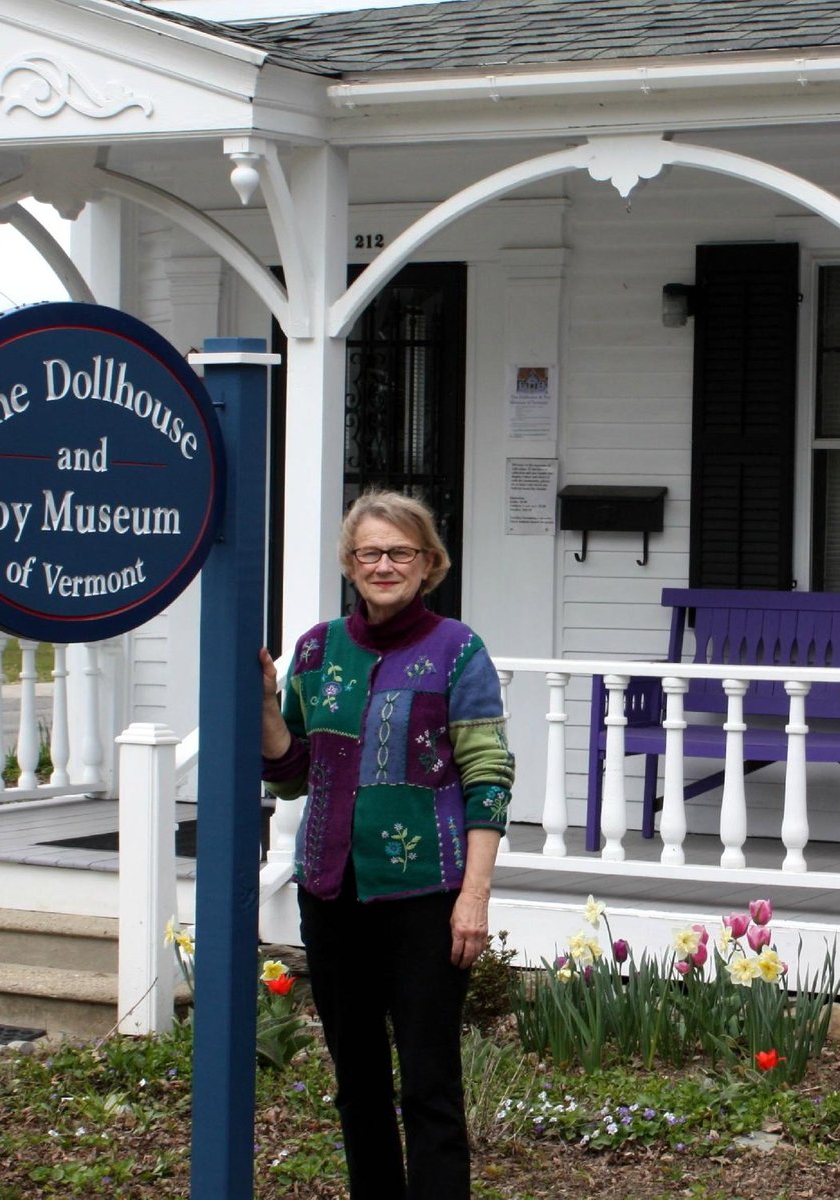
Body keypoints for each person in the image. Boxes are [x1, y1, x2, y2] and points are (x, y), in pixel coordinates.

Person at [259, 489, 514, 1200]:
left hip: (427, 900)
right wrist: (264, 704)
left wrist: (474, 897)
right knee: (358, 1084)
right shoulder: (317, 650)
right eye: (369, 552)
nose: (384, 564)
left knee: (430, 1084)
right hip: (332, 893)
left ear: (429, 563)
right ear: (350, 562)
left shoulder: (458, 651)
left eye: (400, 552)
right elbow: (290, 772)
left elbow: (489, 778)